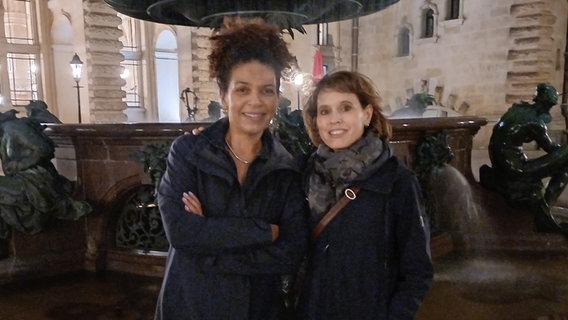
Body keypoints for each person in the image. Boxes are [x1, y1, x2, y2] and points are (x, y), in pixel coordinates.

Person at [154, 18, 308, 320]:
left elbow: (290, 252)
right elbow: (181, 232)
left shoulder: (286, 169)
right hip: (190, 306)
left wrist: (210, 247)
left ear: (277, 97)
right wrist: (265, 231)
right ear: (224, 96)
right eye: (242, 90)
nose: (256, 101)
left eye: (267, 90)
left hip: (258, 310)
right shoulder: (189, 153)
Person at [296, 70, 433, 320]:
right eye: (325, 111)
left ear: (367, 114)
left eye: (345, 108)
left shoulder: (396, 181)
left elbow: (417, 270)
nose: (334, 119)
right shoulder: (303, 173)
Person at [480, 83, 568, 233]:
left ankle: (544, 212)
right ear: (547, 104)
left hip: (501, 164)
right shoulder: (536, 122)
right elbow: (551, 149)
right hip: (516, 170)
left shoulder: (517, 110)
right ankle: (543, 213)